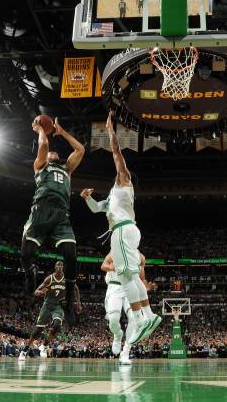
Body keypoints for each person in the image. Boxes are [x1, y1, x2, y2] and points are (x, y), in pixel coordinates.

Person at [81, 111, 161, 346]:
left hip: (124, 230)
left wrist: (109, 130)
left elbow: (116, 152)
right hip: (123, 231)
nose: (117, 173)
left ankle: (141, 317)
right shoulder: (112, 197)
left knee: (127, 276)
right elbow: (96, 208)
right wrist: (86, 198)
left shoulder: (125, 182)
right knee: (131, 275)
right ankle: (148, 315)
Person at [21, 117, 85, 325]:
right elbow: (44, 145)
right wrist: (41, 129)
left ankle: (68, 302)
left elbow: (80, 150)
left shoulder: (66, 170)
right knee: (26, 255)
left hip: (60, 215)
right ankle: (30, 275)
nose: (54, 153)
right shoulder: (40, 165)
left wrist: (63, 132)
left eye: (56, 153)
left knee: (71, 255)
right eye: (52, 153)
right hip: (40, 212)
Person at [19, 261, 82, 360]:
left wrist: (78, 303)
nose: (59, 267)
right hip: (47, 306)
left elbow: (76, 290)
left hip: (59, 306)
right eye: (58, 265)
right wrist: (40, 292)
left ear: (63, 268)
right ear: (55, 267)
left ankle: (44, 345)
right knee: (37, 331)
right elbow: (36, 291)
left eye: (61, 265)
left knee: (57, 325)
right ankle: (25, 350)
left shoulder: (67, 279)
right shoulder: (49, 279)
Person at [101, 251, 155, 364]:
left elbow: (141, 277)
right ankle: (117, 334)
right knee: (114, 320)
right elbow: (103, 266)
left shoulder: (141, 257)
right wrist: (112, 267)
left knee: (134, 318)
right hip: (114, 286)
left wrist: (145, 288)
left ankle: (125, 352)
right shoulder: (114, 251)